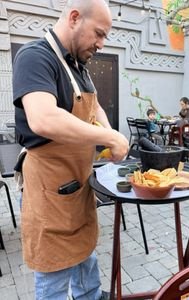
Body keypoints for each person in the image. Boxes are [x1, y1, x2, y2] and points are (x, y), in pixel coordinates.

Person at [12, 0, 129, 299]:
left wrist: (109, 134)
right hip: (49, 187)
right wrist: (113, 139)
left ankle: (89, 295)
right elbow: (43, 118)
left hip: (79, 182)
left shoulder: (80, 67)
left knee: (84, 250)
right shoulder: (35, 57)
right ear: (75, 17)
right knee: (54, 269)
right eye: (99, 34)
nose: (102, 44)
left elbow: (95, 106)